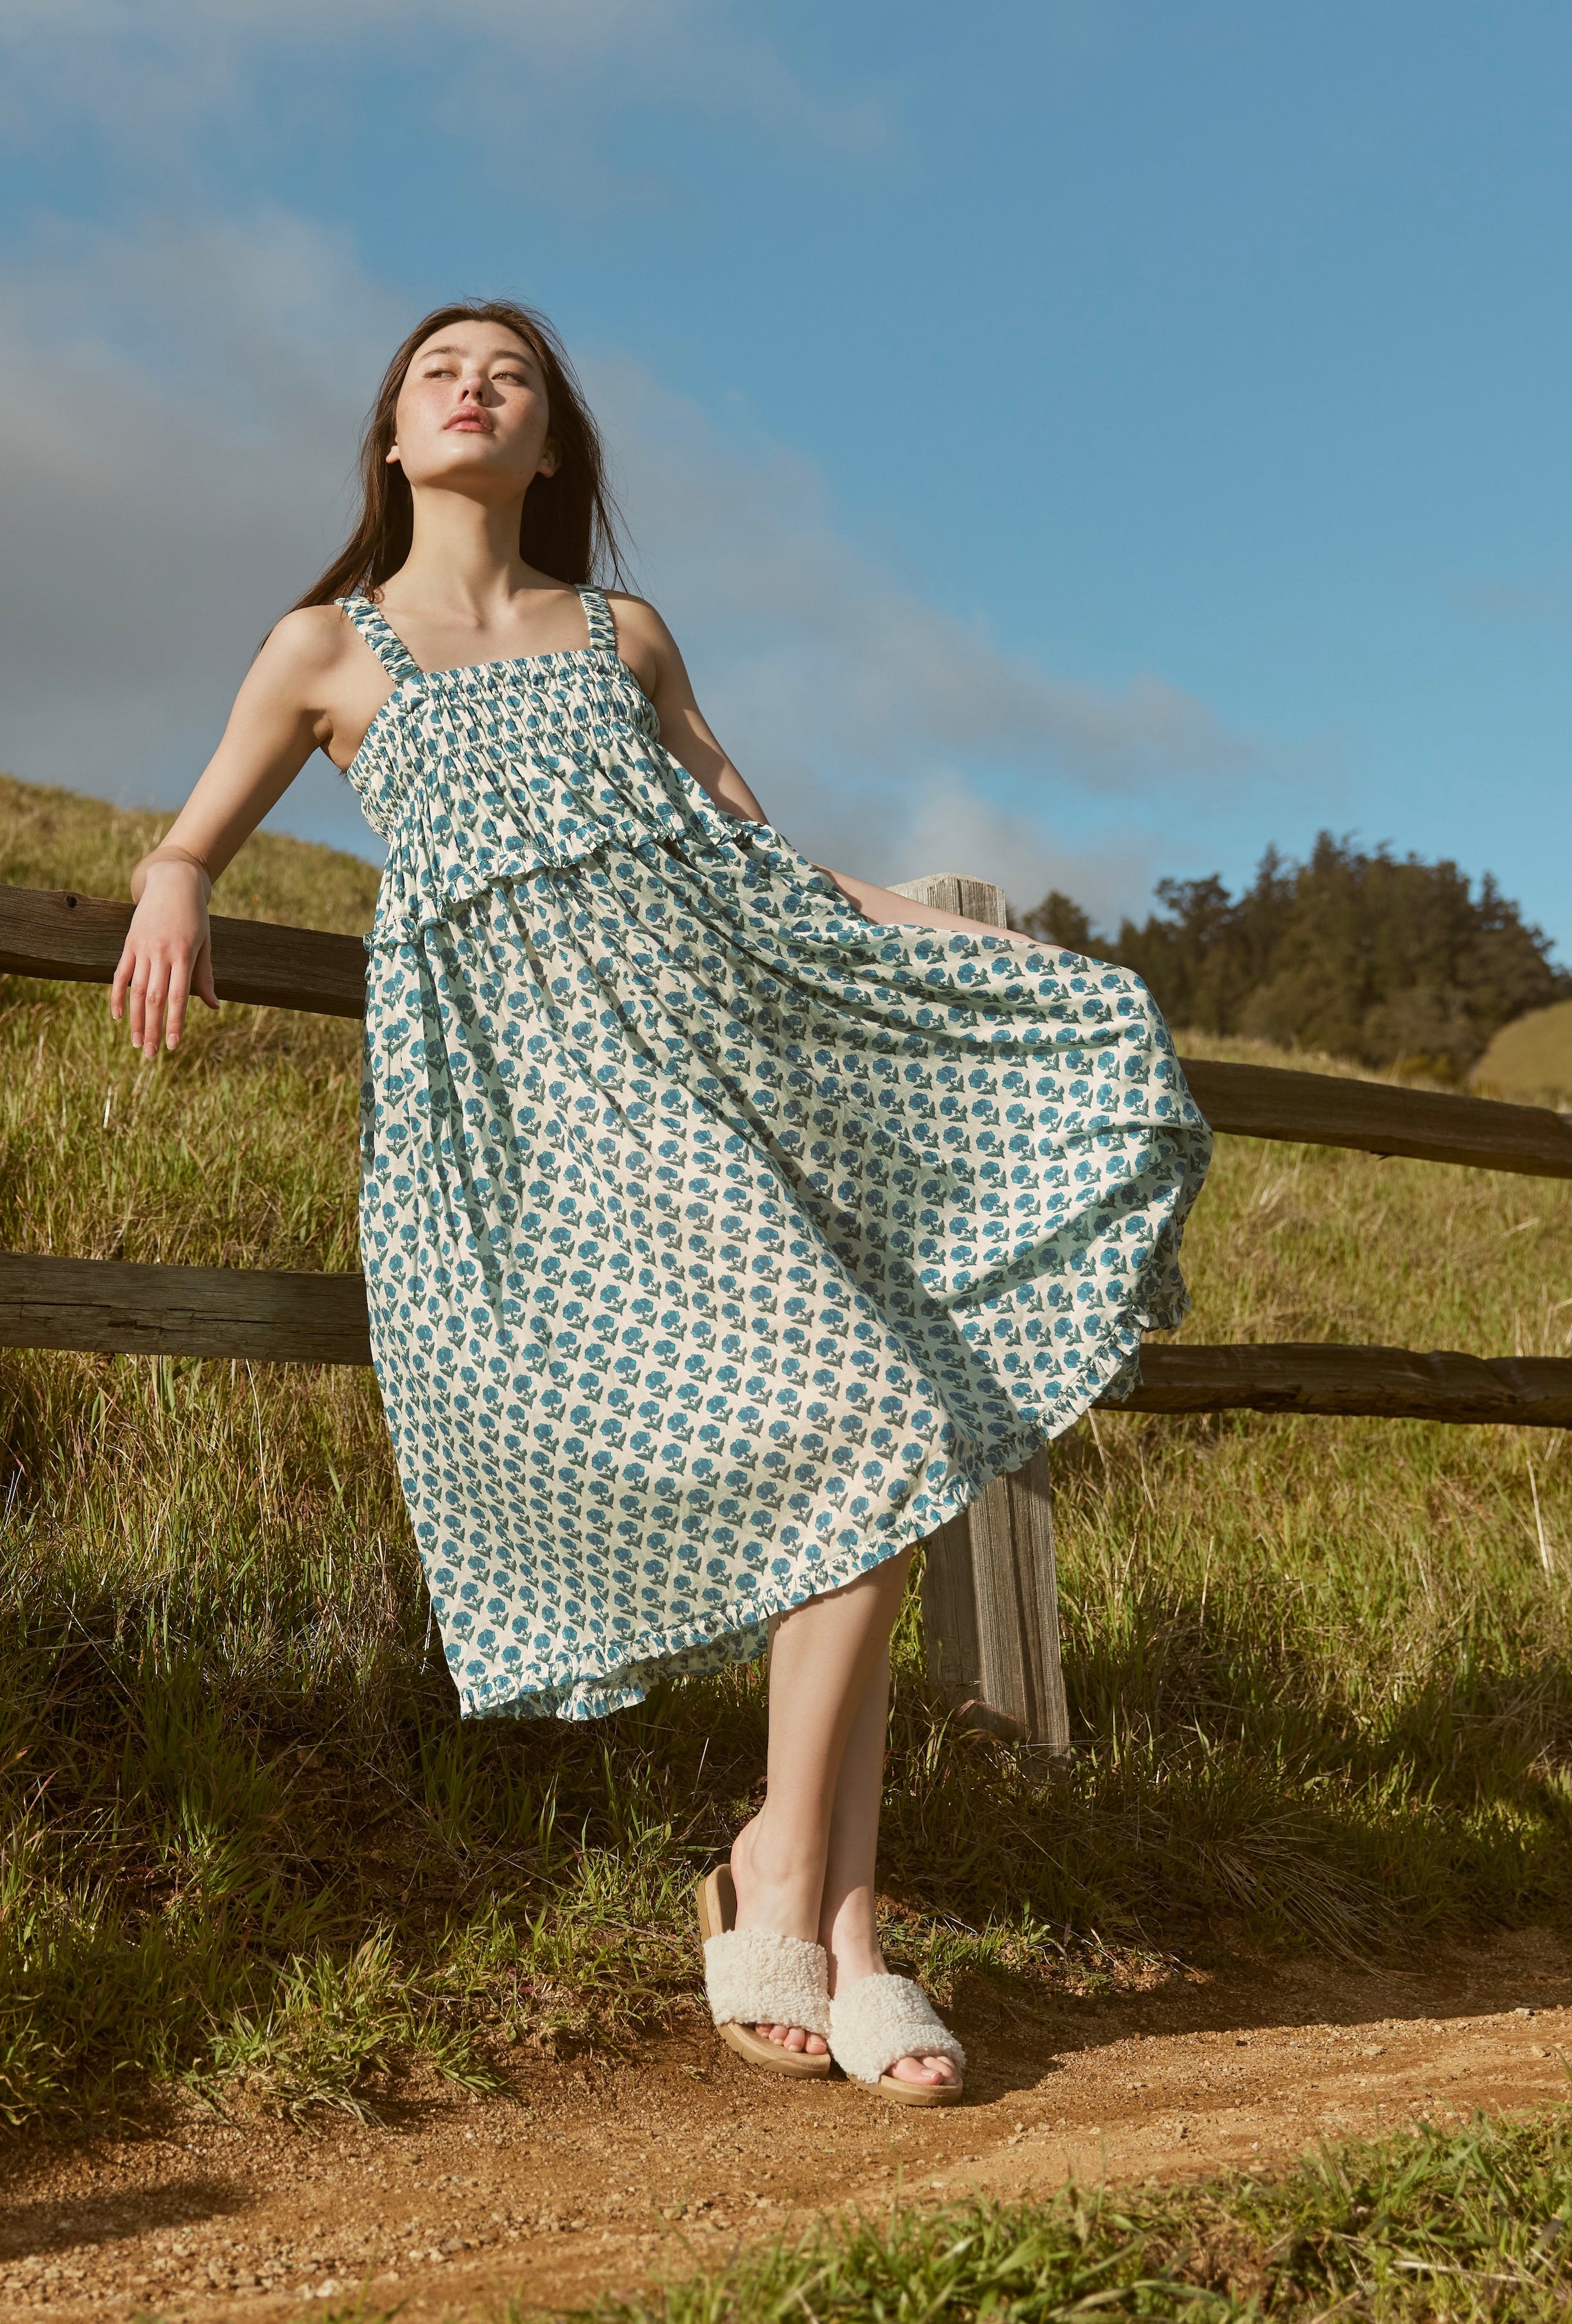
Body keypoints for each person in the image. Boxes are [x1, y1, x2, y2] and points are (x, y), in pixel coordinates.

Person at [112, 300, 1212, 2102]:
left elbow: (759, 865)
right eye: (439, 373)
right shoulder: (325, 648)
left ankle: (819, 1903)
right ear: (393, 439)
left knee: (883, 1429)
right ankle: (823, 1902)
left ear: (551, 445)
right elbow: (196, 828)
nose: (474, 389)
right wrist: (175, 878)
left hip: (720, 1096)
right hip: (532, 1140)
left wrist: (985, 951)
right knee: (872, 1431)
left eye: (510, 375)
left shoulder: (622, 634)